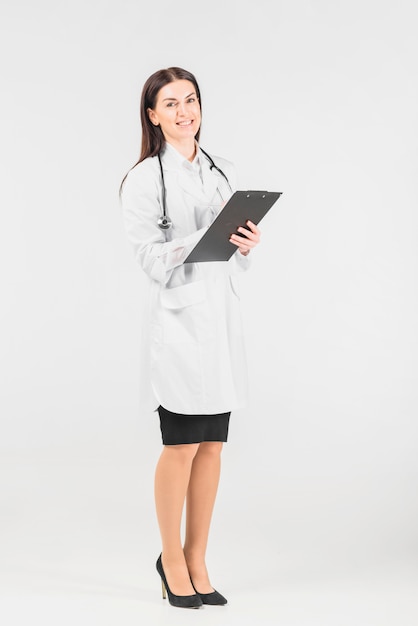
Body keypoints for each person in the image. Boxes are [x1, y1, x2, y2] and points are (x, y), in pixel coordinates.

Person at [120, 67, 261, 609]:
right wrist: (203, 236)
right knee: (180, 444)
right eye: (171, 103)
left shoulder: (222, 171)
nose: (185, 111)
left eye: (192, 100)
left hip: (219, 323)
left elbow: (227, 256)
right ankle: (170, 558)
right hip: (178, 326)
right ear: (153, 115)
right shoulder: (142, 180)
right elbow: (149, 260)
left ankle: (198, 555)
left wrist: (243, 242)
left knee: (212, 445)